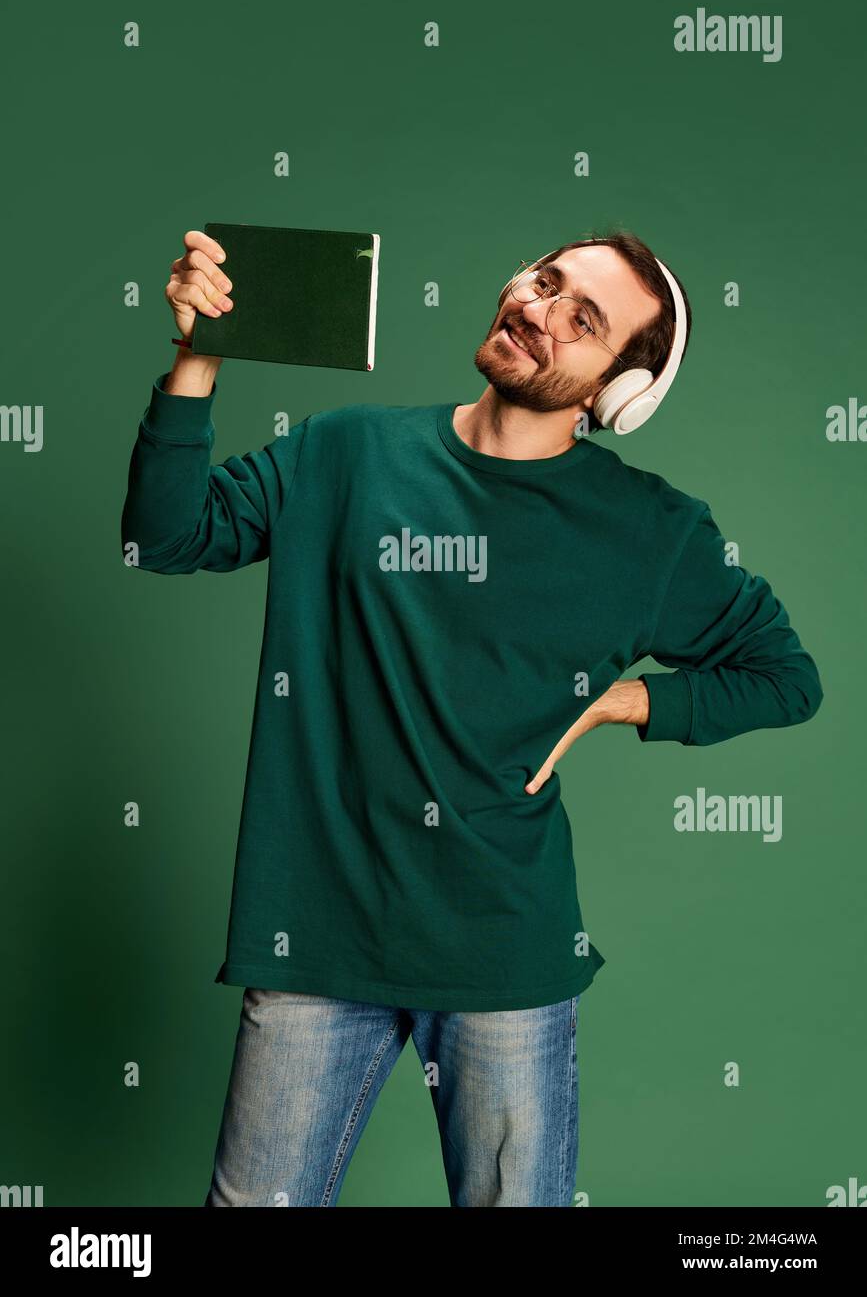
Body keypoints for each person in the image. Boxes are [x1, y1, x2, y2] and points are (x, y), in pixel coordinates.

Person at [120, 227, 823, 1207]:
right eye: (544, 280)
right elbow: (165, 536)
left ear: (614, 394)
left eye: (583, 318)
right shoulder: (345, 450)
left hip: (504, 951)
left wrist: (634, 700)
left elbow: (785, 676)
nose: (537, 308)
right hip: (315, 940)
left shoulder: (651, 532)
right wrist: (196, 358)